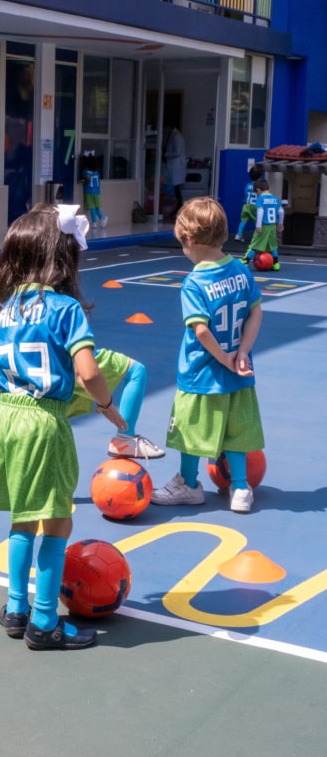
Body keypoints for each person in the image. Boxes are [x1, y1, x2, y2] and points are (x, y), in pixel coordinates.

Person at [0, 203, 127, 650]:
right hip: (45, 421)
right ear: (62, 256)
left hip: (8, 417)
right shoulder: (65, 310)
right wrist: (108, 406)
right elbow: (89, 374)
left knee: (22, 518)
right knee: (57, 522)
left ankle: (16, 607)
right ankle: (44, 622)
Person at [151, 197, 264, 513]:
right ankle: (240, 488)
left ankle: (188, 483)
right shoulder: (241, 271)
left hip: (202, 372)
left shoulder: (195, 282)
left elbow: (200, 330)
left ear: (187, 239)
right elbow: (256, 313)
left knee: (190, 428)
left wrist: (222, 357)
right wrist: (240, 353)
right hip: (239, 372)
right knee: (235, 430)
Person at [67, 348, 165, 459]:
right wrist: (105, 404)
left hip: (48, 368)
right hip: (67, 356)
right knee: (135, 370)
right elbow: (83, 373)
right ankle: (125, 437)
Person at [241, 178, 283, 271]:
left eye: (256, 193)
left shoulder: (261, 199)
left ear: (258, 190)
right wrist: (280, 223)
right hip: (273, 225)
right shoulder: (275, 198)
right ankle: (276, 264)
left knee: (255, 244)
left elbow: (260, 211)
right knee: (273, 245)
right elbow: (281, 211)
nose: (257, 195)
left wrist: (258, 225)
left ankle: (245, 261)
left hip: (264, 225)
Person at [234, 163, 264, 242]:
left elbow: (245, 194)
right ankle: (255, 237)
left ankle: (238, 235)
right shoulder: (260, 186)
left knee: (243, 221)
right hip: (255, 206)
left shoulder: (247, 185)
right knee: (257, 222)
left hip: (246, 205)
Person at [162, 122, 186, 217]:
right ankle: (176, 208)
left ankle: (178, 208)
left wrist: (166, 154)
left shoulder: (177, 136)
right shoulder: (172, 135)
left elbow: (178, 152)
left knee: (177, 190)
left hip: (177, 166)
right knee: (175, 188)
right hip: (173, 166)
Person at [79, 152, 108, 229]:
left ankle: (94, 222)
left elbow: (87, 180)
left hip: (89, 191)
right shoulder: (97, 172)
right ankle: (102, 218)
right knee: (97, 207)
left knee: (92, 207)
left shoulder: (85, 172)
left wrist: (82, 182)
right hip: (97, 191)